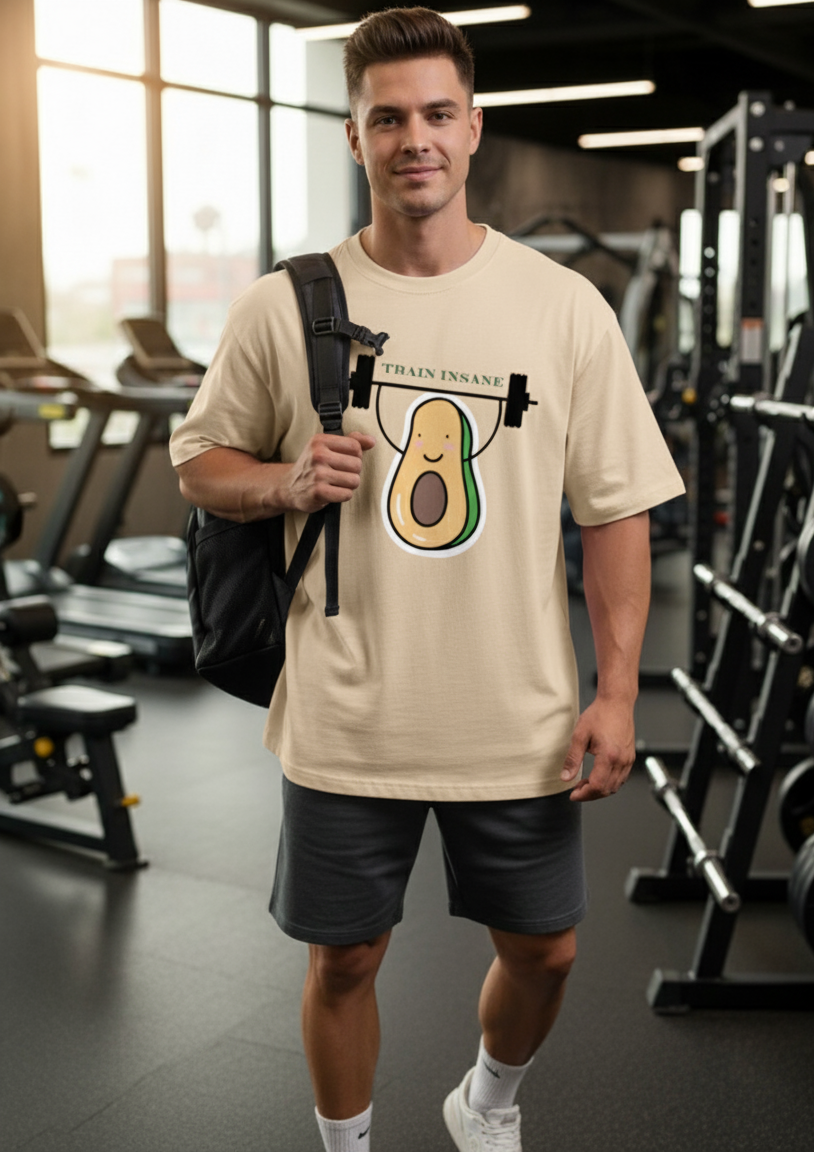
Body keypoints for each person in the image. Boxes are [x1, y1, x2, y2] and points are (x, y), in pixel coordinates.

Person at [170, 9, 685, 1151]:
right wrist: (286, 481)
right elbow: (200, 462)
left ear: (474, 128)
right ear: (354, 137)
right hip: (349, 710)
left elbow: (615, 511)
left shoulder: (561, 309)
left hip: (519, 715)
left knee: (546, 950)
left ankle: (486, 1102)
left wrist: (613, 692)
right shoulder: (283, 306)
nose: (415, 138)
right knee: (343, 957)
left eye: (436, 114)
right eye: (387, 117)